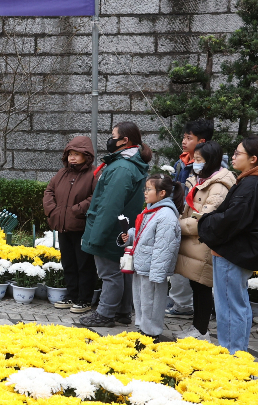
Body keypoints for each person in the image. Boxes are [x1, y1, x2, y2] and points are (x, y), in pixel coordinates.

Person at [198, 137, 258, 354]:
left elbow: (233, 219)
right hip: (236, 251)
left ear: (253, 159)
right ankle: (237, 351)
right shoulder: (252, 180)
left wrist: (206, 221)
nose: (233, 157)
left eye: (237, 153)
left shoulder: (252, 183)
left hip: (233, 252)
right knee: (236, 303)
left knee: (229, 306)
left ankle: (232, 353)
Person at [76, 122, 151, 328]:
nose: (110, 139)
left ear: (125, 140)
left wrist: (96, 236)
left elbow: (109, 206)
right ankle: (122, 311)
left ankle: (105, 313)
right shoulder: (127, 164)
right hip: (121, 228)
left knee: (110, 274)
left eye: (113, 135)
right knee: (122, 271)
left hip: (111, 230)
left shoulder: (121, 168)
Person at [174, 141, 236, 339]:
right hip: (195, 242)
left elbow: (204, 219)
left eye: (199, 159)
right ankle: (197, 327)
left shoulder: (218, 186)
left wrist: (177, 226)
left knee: (202, 286)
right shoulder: (201, 179)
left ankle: (201, 330)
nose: (195, 163)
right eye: (195, 159)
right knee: (196, 284)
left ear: (211, 160)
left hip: (204, 241)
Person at [123, 174, 183, 340]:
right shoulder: (151, 210)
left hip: (152, 269)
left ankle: (151, 332)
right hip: (143, 265)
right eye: (145, 189)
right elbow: (143, 234)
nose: (145, 192)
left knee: (152, 302)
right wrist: (129, 236)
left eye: (149, 189)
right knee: (141, 301)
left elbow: (164, 248)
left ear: (162, 193)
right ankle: (142, 329)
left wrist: (157, 274)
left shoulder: (166, 215)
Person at [41, 135, 98, 313]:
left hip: (82, 227)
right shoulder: (62, 173)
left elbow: (96, 197)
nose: (72, 157)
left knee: (84, 265)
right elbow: (49, 191)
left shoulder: (94, 174)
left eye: (76, 154)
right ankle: (71, 295)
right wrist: (53, 210)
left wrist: (76, 210)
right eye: (70, 154)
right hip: (63, 226)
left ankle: (84, 299)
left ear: (86, 156)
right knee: (69, 263)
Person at [166, 118, 215, 320]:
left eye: (189, 138)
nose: (184, 141)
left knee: (195, 268)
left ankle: (190, 307)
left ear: (201, 141)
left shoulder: (213, 166)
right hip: (182, 219)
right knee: (181, 263)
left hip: (195, 224)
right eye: (184, 137)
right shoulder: (182, 162)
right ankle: (180, 302)